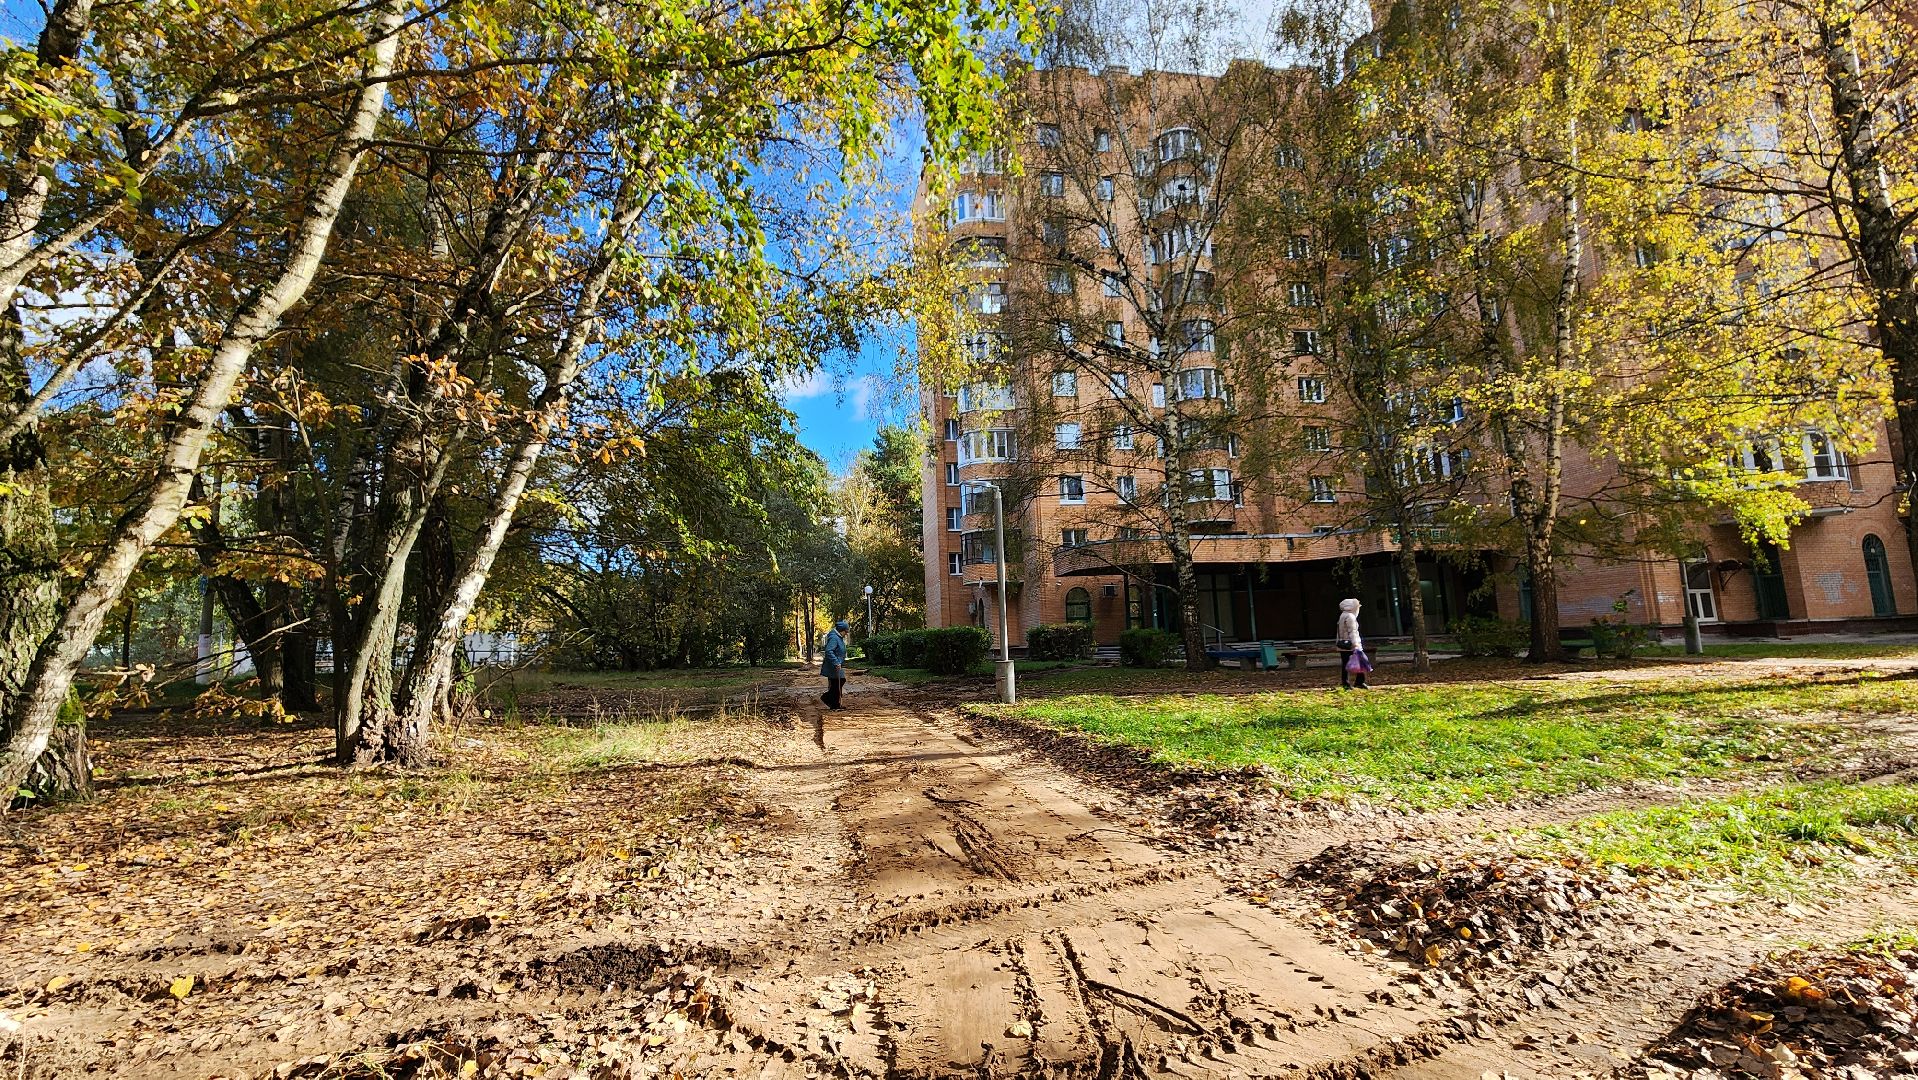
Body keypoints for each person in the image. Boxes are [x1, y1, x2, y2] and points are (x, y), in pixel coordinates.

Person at [1334, 597, 1372, 690]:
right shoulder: (1350, 617)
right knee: (1360, 662)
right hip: (1351, 644)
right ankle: (1359, 681)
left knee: (1345, 664)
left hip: (1343, 644)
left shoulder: (1343, 615)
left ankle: (1346, 683)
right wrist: (1356, 645)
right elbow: (1353, 631)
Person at [820, 619, 849, 710]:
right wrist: (836, 662)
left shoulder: (838, 637)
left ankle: (835, 704)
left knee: (836, 683)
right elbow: (829, 651)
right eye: (846, 631)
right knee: (839, 681)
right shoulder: (834, 638)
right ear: (841, 630)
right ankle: (827, 698)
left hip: (836, 664)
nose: (846, 633)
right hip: (833, 665)